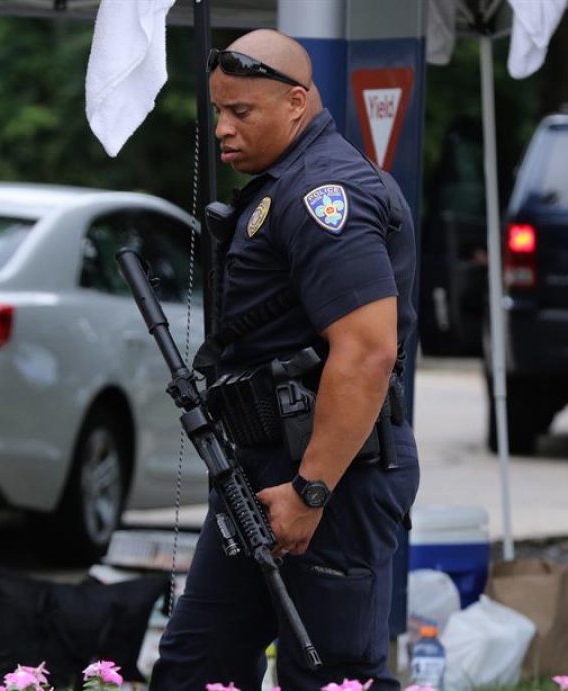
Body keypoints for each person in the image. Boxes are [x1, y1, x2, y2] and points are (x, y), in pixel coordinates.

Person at [150, 29, 420, 691]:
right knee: (195, 667)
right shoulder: (284, 185)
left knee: (332, 676)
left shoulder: (326, 194)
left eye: (241, 111)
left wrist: (311, 490)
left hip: (332, 474)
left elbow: (367, 351)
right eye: (219, 109)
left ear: (296, 103)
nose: (222, 127)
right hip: (260, 468)